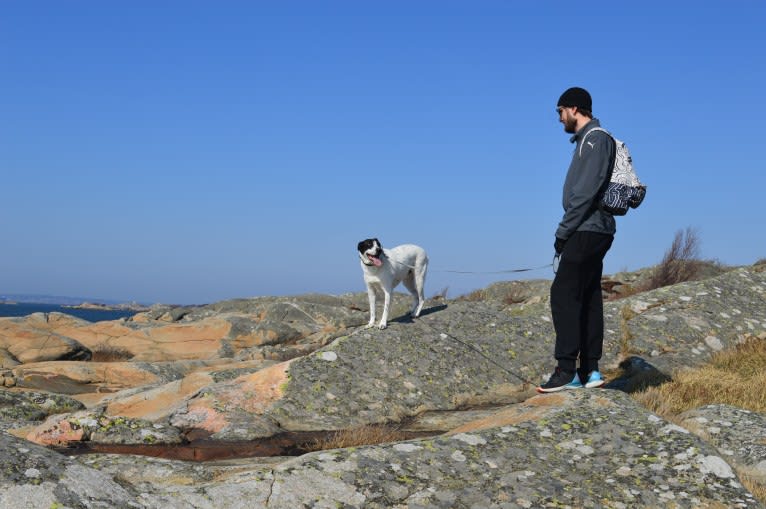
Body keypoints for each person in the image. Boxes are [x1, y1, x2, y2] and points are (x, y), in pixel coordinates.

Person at [537, 86, 616, 393]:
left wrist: (562, 232)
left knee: (563, 295)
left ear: (573, 109)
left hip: (587, 228)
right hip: (592, 229)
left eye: (560, 112)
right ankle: (590, 372)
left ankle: (567, 370)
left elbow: (584, 193)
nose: (559, 119)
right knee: (588, 296)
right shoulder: (588, 141)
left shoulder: (595, 140)